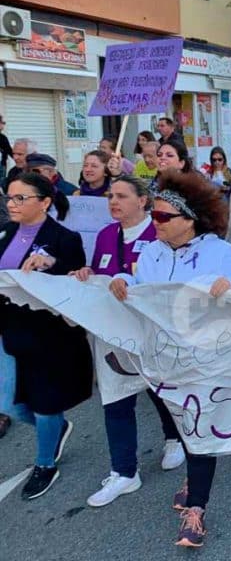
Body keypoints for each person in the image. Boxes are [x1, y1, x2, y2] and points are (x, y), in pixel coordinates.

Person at [109, 170, 231, 547]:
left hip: (206, 361)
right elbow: (144, 292)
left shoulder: (220, 252)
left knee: (200, 428)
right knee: (184, 424)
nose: (153, 223)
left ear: (189, 220)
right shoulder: (152, 252)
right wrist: (124, 279)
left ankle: (198, 510)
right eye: (152, 215)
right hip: (163, 362)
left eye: (161, 217)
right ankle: (193, 473)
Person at [70, 176, 187, 507]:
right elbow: (97, 272)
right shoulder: (107, 235)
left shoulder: (160, 233)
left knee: (158, 389)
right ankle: (124, 473)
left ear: (143, 201)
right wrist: (85, 276)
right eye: (110, 196)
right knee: (116, 400)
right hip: (113, 334)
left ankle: (174, 438)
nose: (113, 201)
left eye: (121, 196)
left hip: (152, 333)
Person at [0, 172, 90, 500]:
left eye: (20, 198)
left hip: (47, 336)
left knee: (44, 403)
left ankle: (45, 462)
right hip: (7, 329)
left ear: (45, 202)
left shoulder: (65, 238)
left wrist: (50, 264)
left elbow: (76, 279)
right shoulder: (6, 232)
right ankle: (54, 430)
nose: (11, 204)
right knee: (7, 402)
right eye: (9, 197)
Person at [0, 115, 12, 181]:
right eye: (3, 122)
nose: (4, 125)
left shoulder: (3, 138)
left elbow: (9, 150)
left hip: (2, 166)